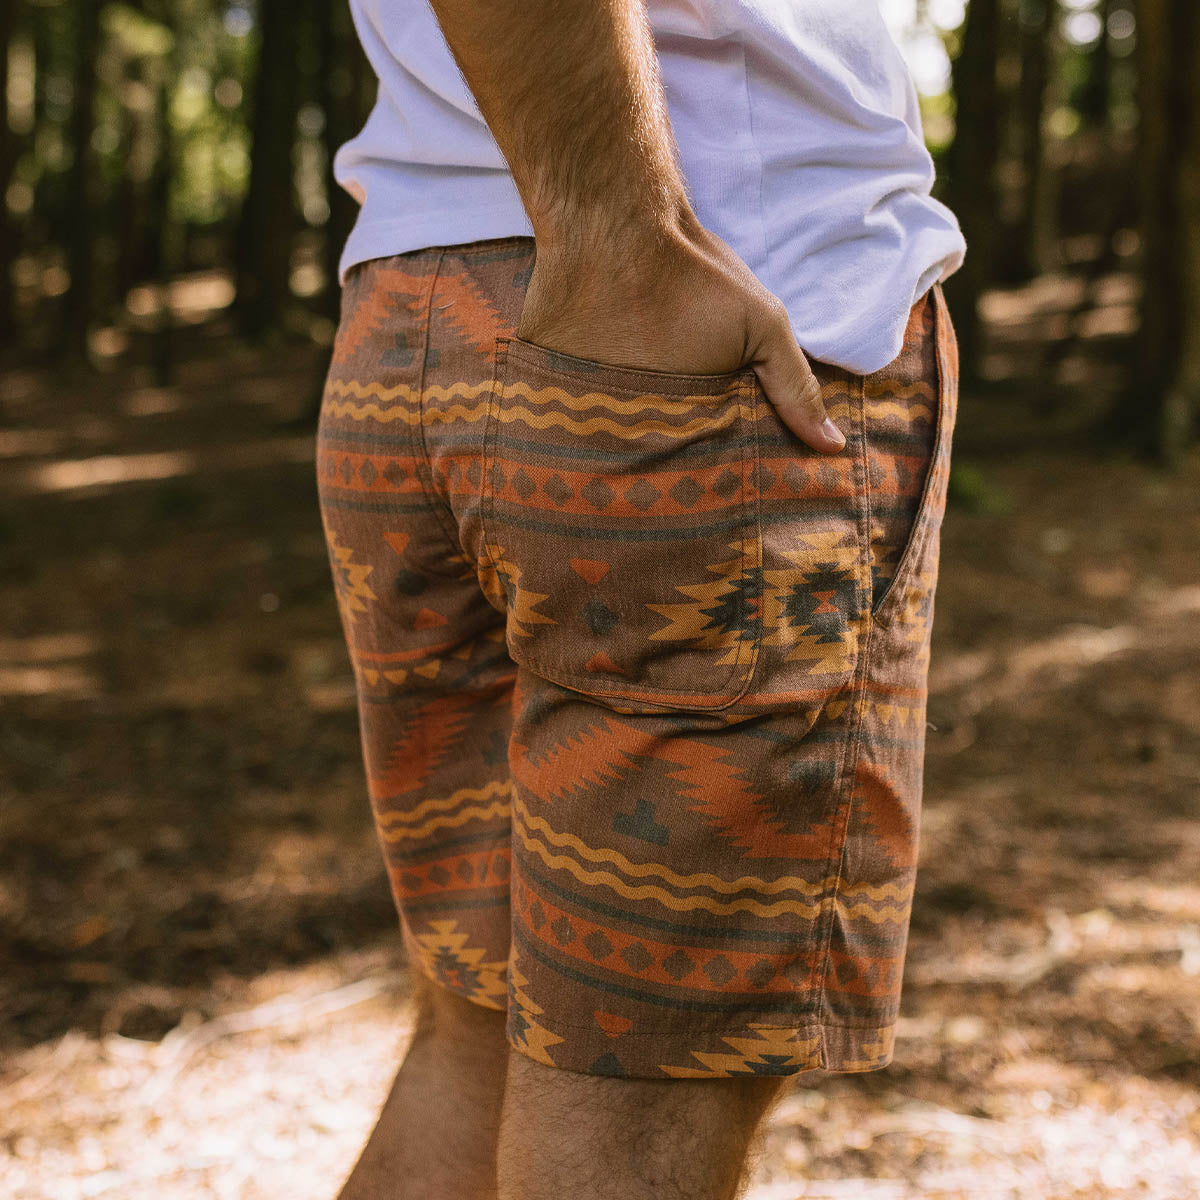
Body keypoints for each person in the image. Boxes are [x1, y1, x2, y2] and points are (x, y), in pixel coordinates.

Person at [315, 0, 966, 1196]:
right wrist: (621, 228)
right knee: (638, 1101)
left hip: (414, 322)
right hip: (696, 323)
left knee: (481, 1028)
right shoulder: (637, 250)